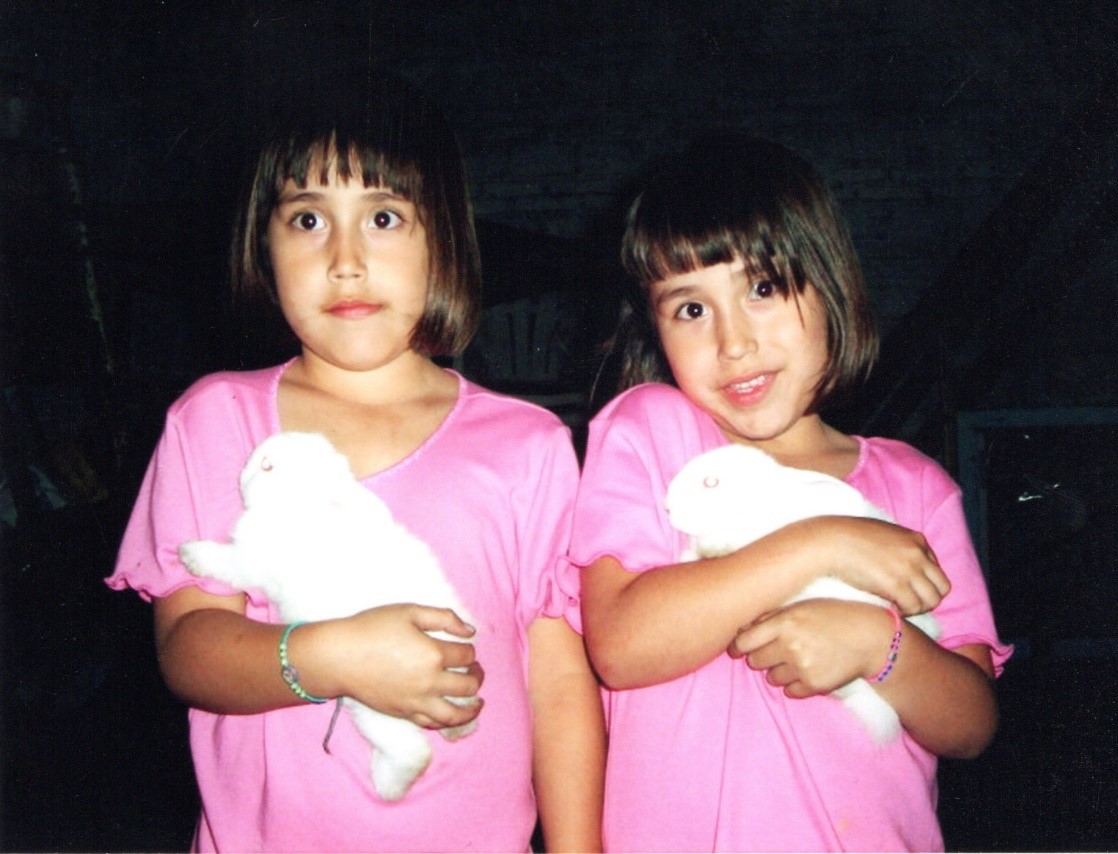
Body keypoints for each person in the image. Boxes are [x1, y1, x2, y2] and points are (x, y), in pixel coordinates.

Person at [106, 72, 604, 853]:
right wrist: (332, 656)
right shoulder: (216, 420)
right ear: (261, 247)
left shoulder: (529, 445)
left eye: (382, 217)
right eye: (307, 218)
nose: (344, 259)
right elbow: (189, 646)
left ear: (442, 238)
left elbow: (561, 684)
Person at [571, 132, 1012, 852]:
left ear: (831, 284)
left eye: (763, 288)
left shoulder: (914, 485)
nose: (733, 341)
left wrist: (879, 643)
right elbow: (620, 645)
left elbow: (972, 724)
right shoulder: (650, 433)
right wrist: (820, 544)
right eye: (690, 308)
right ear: (654, 326)